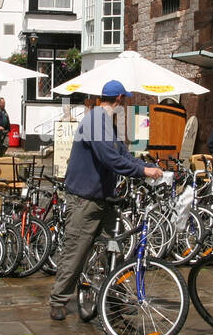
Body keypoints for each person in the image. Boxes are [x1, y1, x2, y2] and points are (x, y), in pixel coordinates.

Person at [48, 81, 163, 322]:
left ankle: (114, 297)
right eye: (126, 101)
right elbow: (110, 158)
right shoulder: (93, 122)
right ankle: (58, 300)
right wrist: (143, 173)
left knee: (115, 249)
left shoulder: (105, 122)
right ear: (119, 99)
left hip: (104, 198)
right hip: (85, 199)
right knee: (76, 251)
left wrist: (148, 166)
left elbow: (121, 153)